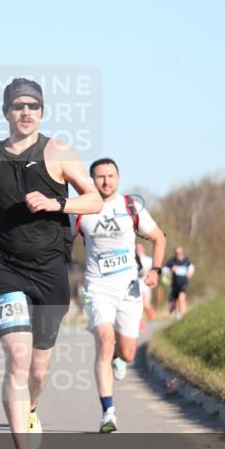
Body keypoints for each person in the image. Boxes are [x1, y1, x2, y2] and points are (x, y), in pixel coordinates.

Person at [0, 78, 103, 449]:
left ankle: (31, 406)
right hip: (4, 266)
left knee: (38, 369)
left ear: (42, 111)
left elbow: (94, 199)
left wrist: (58, 203)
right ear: (5, 112)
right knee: (17, 360)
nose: (26, 112)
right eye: (18, 105)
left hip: (51, 269)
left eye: (33, 106)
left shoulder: (58, 153)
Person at [75, 158, 166, 433]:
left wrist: (156, 271)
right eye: (100, 176)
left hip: (129, 289)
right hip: (96, 287)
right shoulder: (80, 210)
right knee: (105, 338)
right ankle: (108, 412)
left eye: (111, 175)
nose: (106, 181)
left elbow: (159, 238)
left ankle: (117, 356)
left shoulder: (131, 207)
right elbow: (59, 241)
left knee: (127, 354)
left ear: (119, 178)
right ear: (92, 181)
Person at [165, 246, 194, 320]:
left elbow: (191, 269)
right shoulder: (171, 262)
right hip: (174, 284)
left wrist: (190, 273)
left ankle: (183, 317)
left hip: (183, 283)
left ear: (182, 252)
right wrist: (167, 281)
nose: (178, 254)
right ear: (175, 253)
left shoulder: (187, 261)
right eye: (177, 252)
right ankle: (176, 313)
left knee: (181, 298)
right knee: (173, 302)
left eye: (180, 252)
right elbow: (164, 272)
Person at [136, 242, 156, 328]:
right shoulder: (133, 260)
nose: (138, 250)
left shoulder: (148, 259)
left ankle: (153, 318)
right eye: (137, 249)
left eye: (140, 249)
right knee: (139, 304)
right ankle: (141, 324)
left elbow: (153, 272)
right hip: (137, 284)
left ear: (143, 249)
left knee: (146, 303)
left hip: (146, 284)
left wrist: (147, 273)